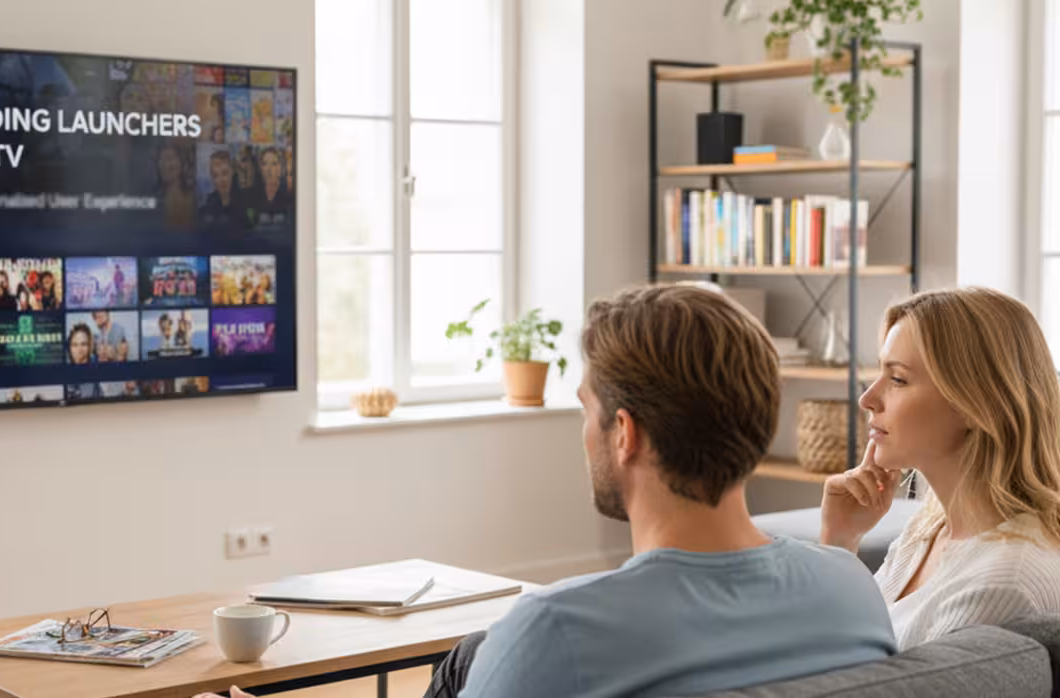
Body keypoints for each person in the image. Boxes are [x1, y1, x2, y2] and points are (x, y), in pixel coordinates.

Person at [202, 285, 896, 698]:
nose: (583, 434)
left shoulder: (555, 634)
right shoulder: (850, 592)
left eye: (584, 409)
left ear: (625, 434)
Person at [820, 287, 1060, 650]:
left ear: (975, 404)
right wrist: (840, 542)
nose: (867, 398)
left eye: (898, 379)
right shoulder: (931, 529)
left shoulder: (1002, 583)